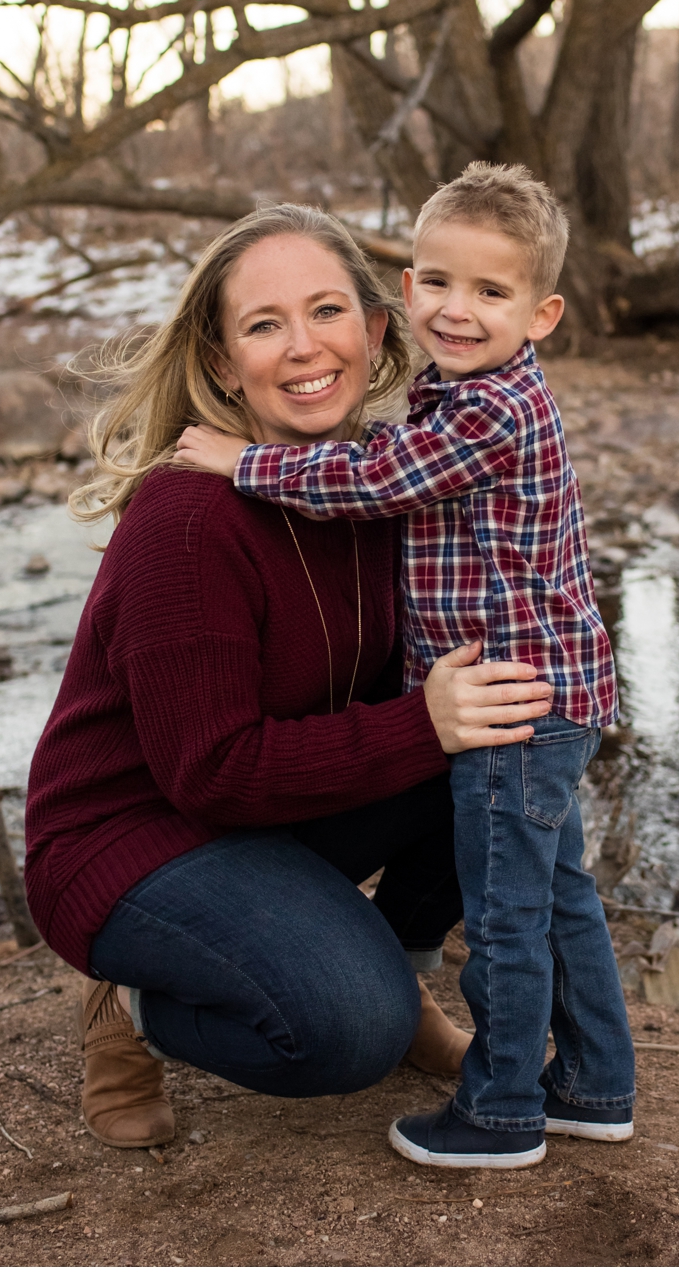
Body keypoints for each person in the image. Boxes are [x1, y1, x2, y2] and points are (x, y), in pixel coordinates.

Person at [23, 204, 557, 1150]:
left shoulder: (381, 485)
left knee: (501, 731)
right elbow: (210, 773)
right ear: (225, 361)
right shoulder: (187, 519)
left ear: (377, 329)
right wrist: (420, 724)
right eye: (265, 325)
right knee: (349, 1026)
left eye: (326, 311)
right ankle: (132, 1008)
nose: (304, 346)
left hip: (274, 816)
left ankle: (399, 963)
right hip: (137, 839)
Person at [177, 164, 635, 1168]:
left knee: (511, 918)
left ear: (543, 312)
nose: (455, 311)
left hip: (514, 704)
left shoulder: (489, 411)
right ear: (407, 284)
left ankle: (504, 1108)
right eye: (435, 282)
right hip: (534, 697)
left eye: (489, 292)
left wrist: (241, 462)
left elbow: (379, 477)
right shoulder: (457, 390)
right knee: (560, 899)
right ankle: (597, 1082)